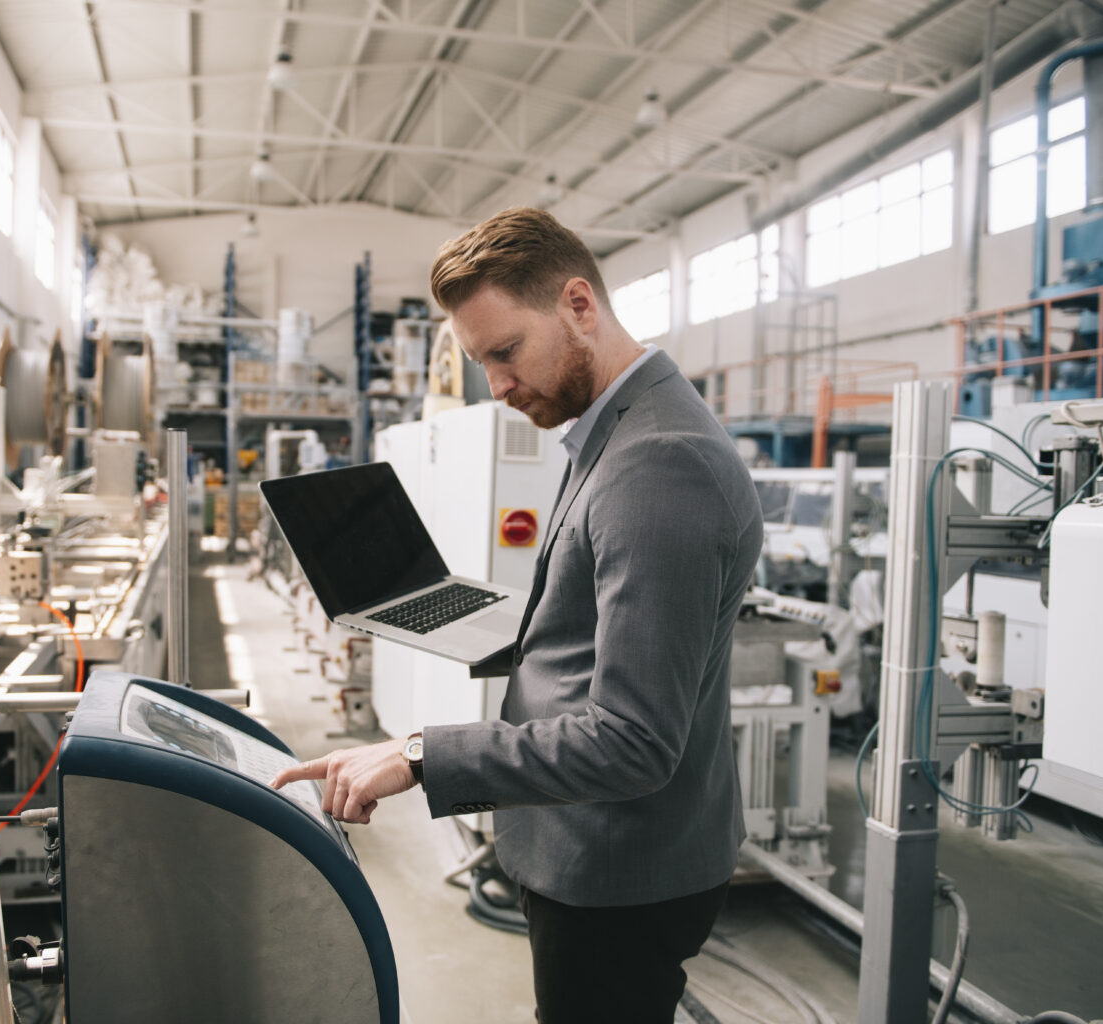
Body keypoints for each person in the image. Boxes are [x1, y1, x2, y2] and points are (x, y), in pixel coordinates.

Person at [272, 207, 762, 1022]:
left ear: (578, 305)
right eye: (480, 363)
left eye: (505, 352)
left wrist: (420, 756)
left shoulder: (659, 463)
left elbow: (635, 742)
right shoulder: (618, 431)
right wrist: (500, 622)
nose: (496, 388)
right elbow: (598, 626)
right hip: (596, 849)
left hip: (617, 873)